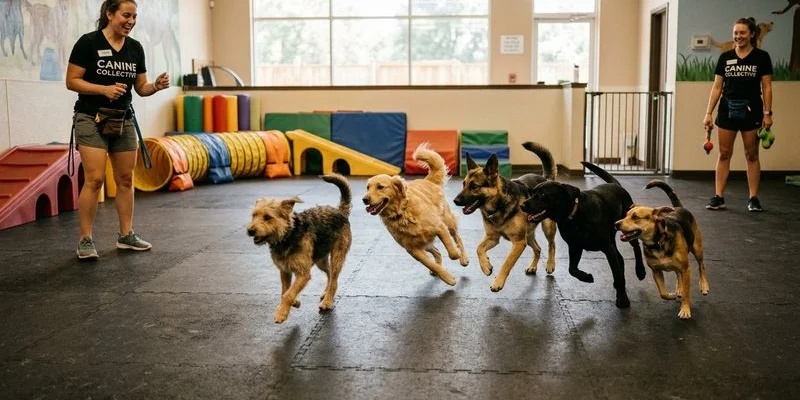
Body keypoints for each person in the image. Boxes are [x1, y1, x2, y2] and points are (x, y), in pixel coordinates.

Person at [66, 0, 170, 259]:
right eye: (126, 15)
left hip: (123, 120)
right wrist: (103, 89)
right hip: (91, 118)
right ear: (109, 14)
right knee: (95, 179)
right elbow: (72, 81)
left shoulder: (135, 48)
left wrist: (155, 86)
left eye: (134, 16)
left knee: (125, 179)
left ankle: (126, 235)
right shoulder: (88, 43)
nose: (131, 21)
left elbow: (141, 88)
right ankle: (86, 239)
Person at [703, 17, 773, 212]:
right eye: (735, 33)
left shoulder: (761, 57)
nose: (738, 36)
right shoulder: (725, 57)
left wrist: (767, 113)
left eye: (742, 33)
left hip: (752, 110)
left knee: (751, 154)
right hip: (727, 110)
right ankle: (719, 197)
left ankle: (754, 198)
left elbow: (766, 87)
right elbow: (717, 87)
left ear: (751, 34)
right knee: (724, 153)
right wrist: (708, 113)